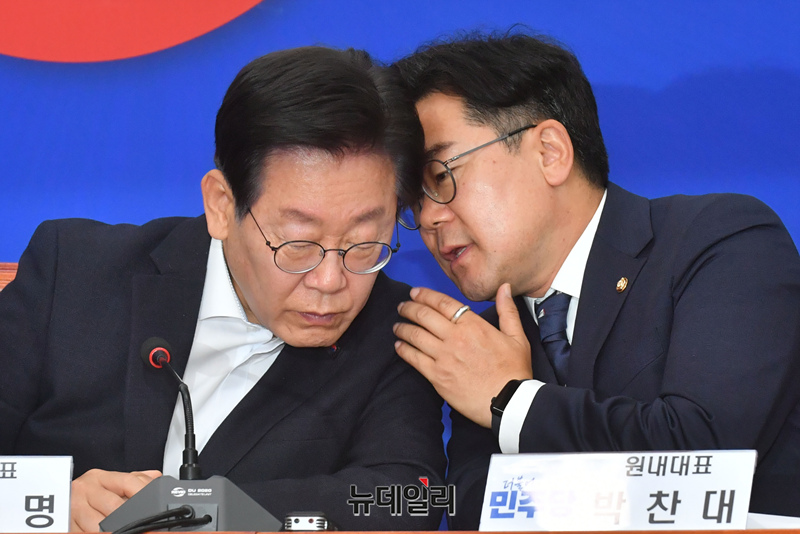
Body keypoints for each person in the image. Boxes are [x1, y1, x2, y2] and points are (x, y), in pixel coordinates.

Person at [0, 46, 446, 531]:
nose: (330, 281)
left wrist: (199, 511)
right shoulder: (75, 271)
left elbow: (407, 499)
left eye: (365, 243)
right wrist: (43, 504)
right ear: (221, 205)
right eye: (298, 244)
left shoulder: (394, 333)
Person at [392, 31, 800, 527]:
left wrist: (513, 401)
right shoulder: (486, 340)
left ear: (549, 152)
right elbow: (478, 508)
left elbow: (706, 454)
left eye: (441, 176)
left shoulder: (719, 239)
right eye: (414, 200)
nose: (428, 218)